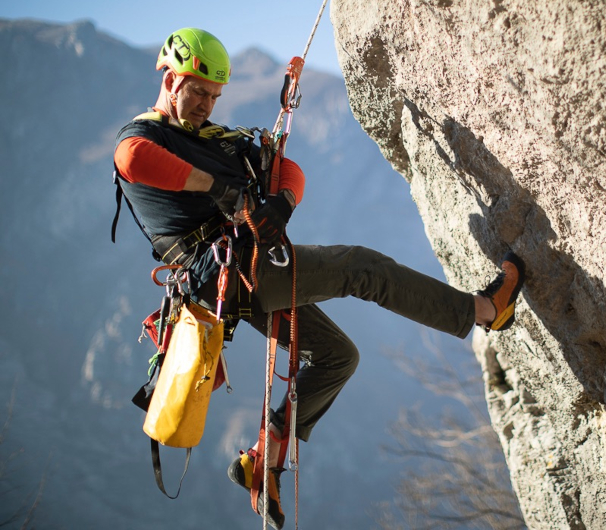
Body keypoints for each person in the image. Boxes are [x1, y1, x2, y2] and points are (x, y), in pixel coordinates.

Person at [113, 27, 526, 529]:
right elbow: (131, 160)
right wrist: (221, 190)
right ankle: (485, 310)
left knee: (337, 357)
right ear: (170, 79)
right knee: (362, 268)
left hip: (241, 276)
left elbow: (288, 170)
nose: (206, 105)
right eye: (198, 91)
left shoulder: (215, 140)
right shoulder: (146, 136)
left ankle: (262, 460)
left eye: (214, 96)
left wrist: (282, 204)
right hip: (226, 272)